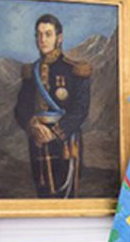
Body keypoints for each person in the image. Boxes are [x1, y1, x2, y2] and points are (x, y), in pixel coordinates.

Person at [13, 13, 91, 198]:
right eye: (39, 35)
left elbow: (80, 110)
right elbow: (21, 109)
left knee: (66, 195)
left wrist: (54, 133)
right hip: (37, 140)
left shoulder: (74, 70)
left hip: (65, 142)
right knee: (43, 194)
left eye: (48, 34)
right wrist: (33, 126)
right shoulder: (31, 72)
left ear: (59, 38)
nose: (42, 39)